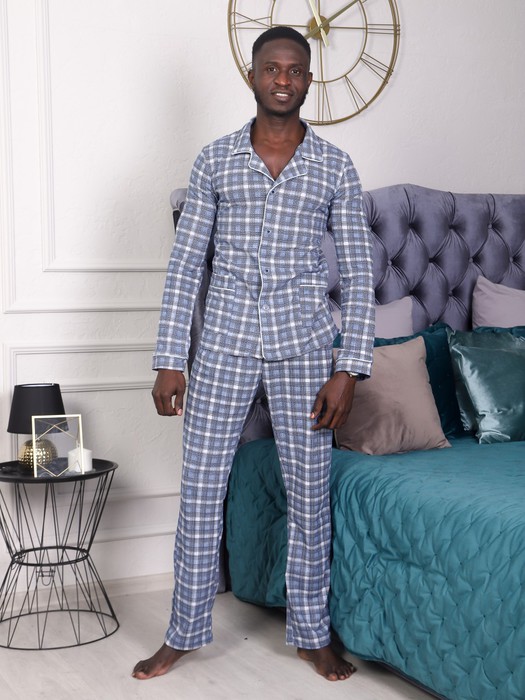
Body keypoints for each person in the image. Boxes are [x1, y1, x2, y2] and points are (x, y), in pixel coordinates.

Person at [132, 25, 375, 683]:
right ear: (253, 76)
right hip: (223, 347)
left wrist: (349, 368)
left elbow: (358, 273)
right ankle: (182, 632)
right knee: (200, 492)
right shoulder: (214, 160)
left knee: (310, 497)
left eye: (295, 70)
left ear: (308, 79)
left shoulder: (335, 167)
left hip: (305, 350)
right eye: (272, 69)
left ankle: (311, 634)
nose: (283, 80)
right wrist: (170, 358)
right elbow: (187, 265)